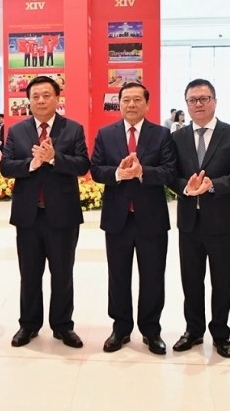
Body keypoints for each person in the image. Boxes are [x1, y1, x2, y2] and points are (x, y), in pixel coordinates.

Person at [1, 75, 90, 348]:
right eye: (36, 96)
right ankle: (28, 325)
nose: (41, 100)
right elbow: (6, 166)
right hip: (28, 214)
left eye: (46, 95)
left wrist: (54, 158)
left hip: (62, 215)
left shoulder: (72, 129)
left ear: (57, 99)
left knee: (62, 273)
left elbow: (83, 165)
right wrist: (31, 164)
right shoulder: (17, 131)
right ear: (28, 100)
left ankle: (63, 326)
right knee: (29, 273)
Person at [90, 83, 177, 355]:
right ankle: (121, 328)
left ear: (147, 104)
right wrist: (118, 174)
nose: (131, 104)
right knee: (118, 276)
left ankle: (151, 330)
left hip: (151, 218)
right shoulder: (106, 134)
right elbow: (96, 170)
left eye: (137, 99)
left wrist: (142, 173)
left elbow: (169, 172)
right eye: (125, 99)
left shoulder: (161, 135)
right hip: (117, 219)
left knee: (152, 276)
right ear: (119, 103)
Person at [169, 79, 230, 358]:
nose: (199, 104)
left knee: (221, 281)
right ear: (186, 104)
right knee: (191, 280)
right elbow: (171, 174)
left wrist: (212, 185)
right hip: (189, 222)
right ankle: (193, 330)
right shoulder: (177, 137)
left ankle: (221, 334)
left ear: (215, 101)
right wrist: (185, 187)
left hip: (222, 222)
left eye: (204, 99)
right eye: (193, 100)